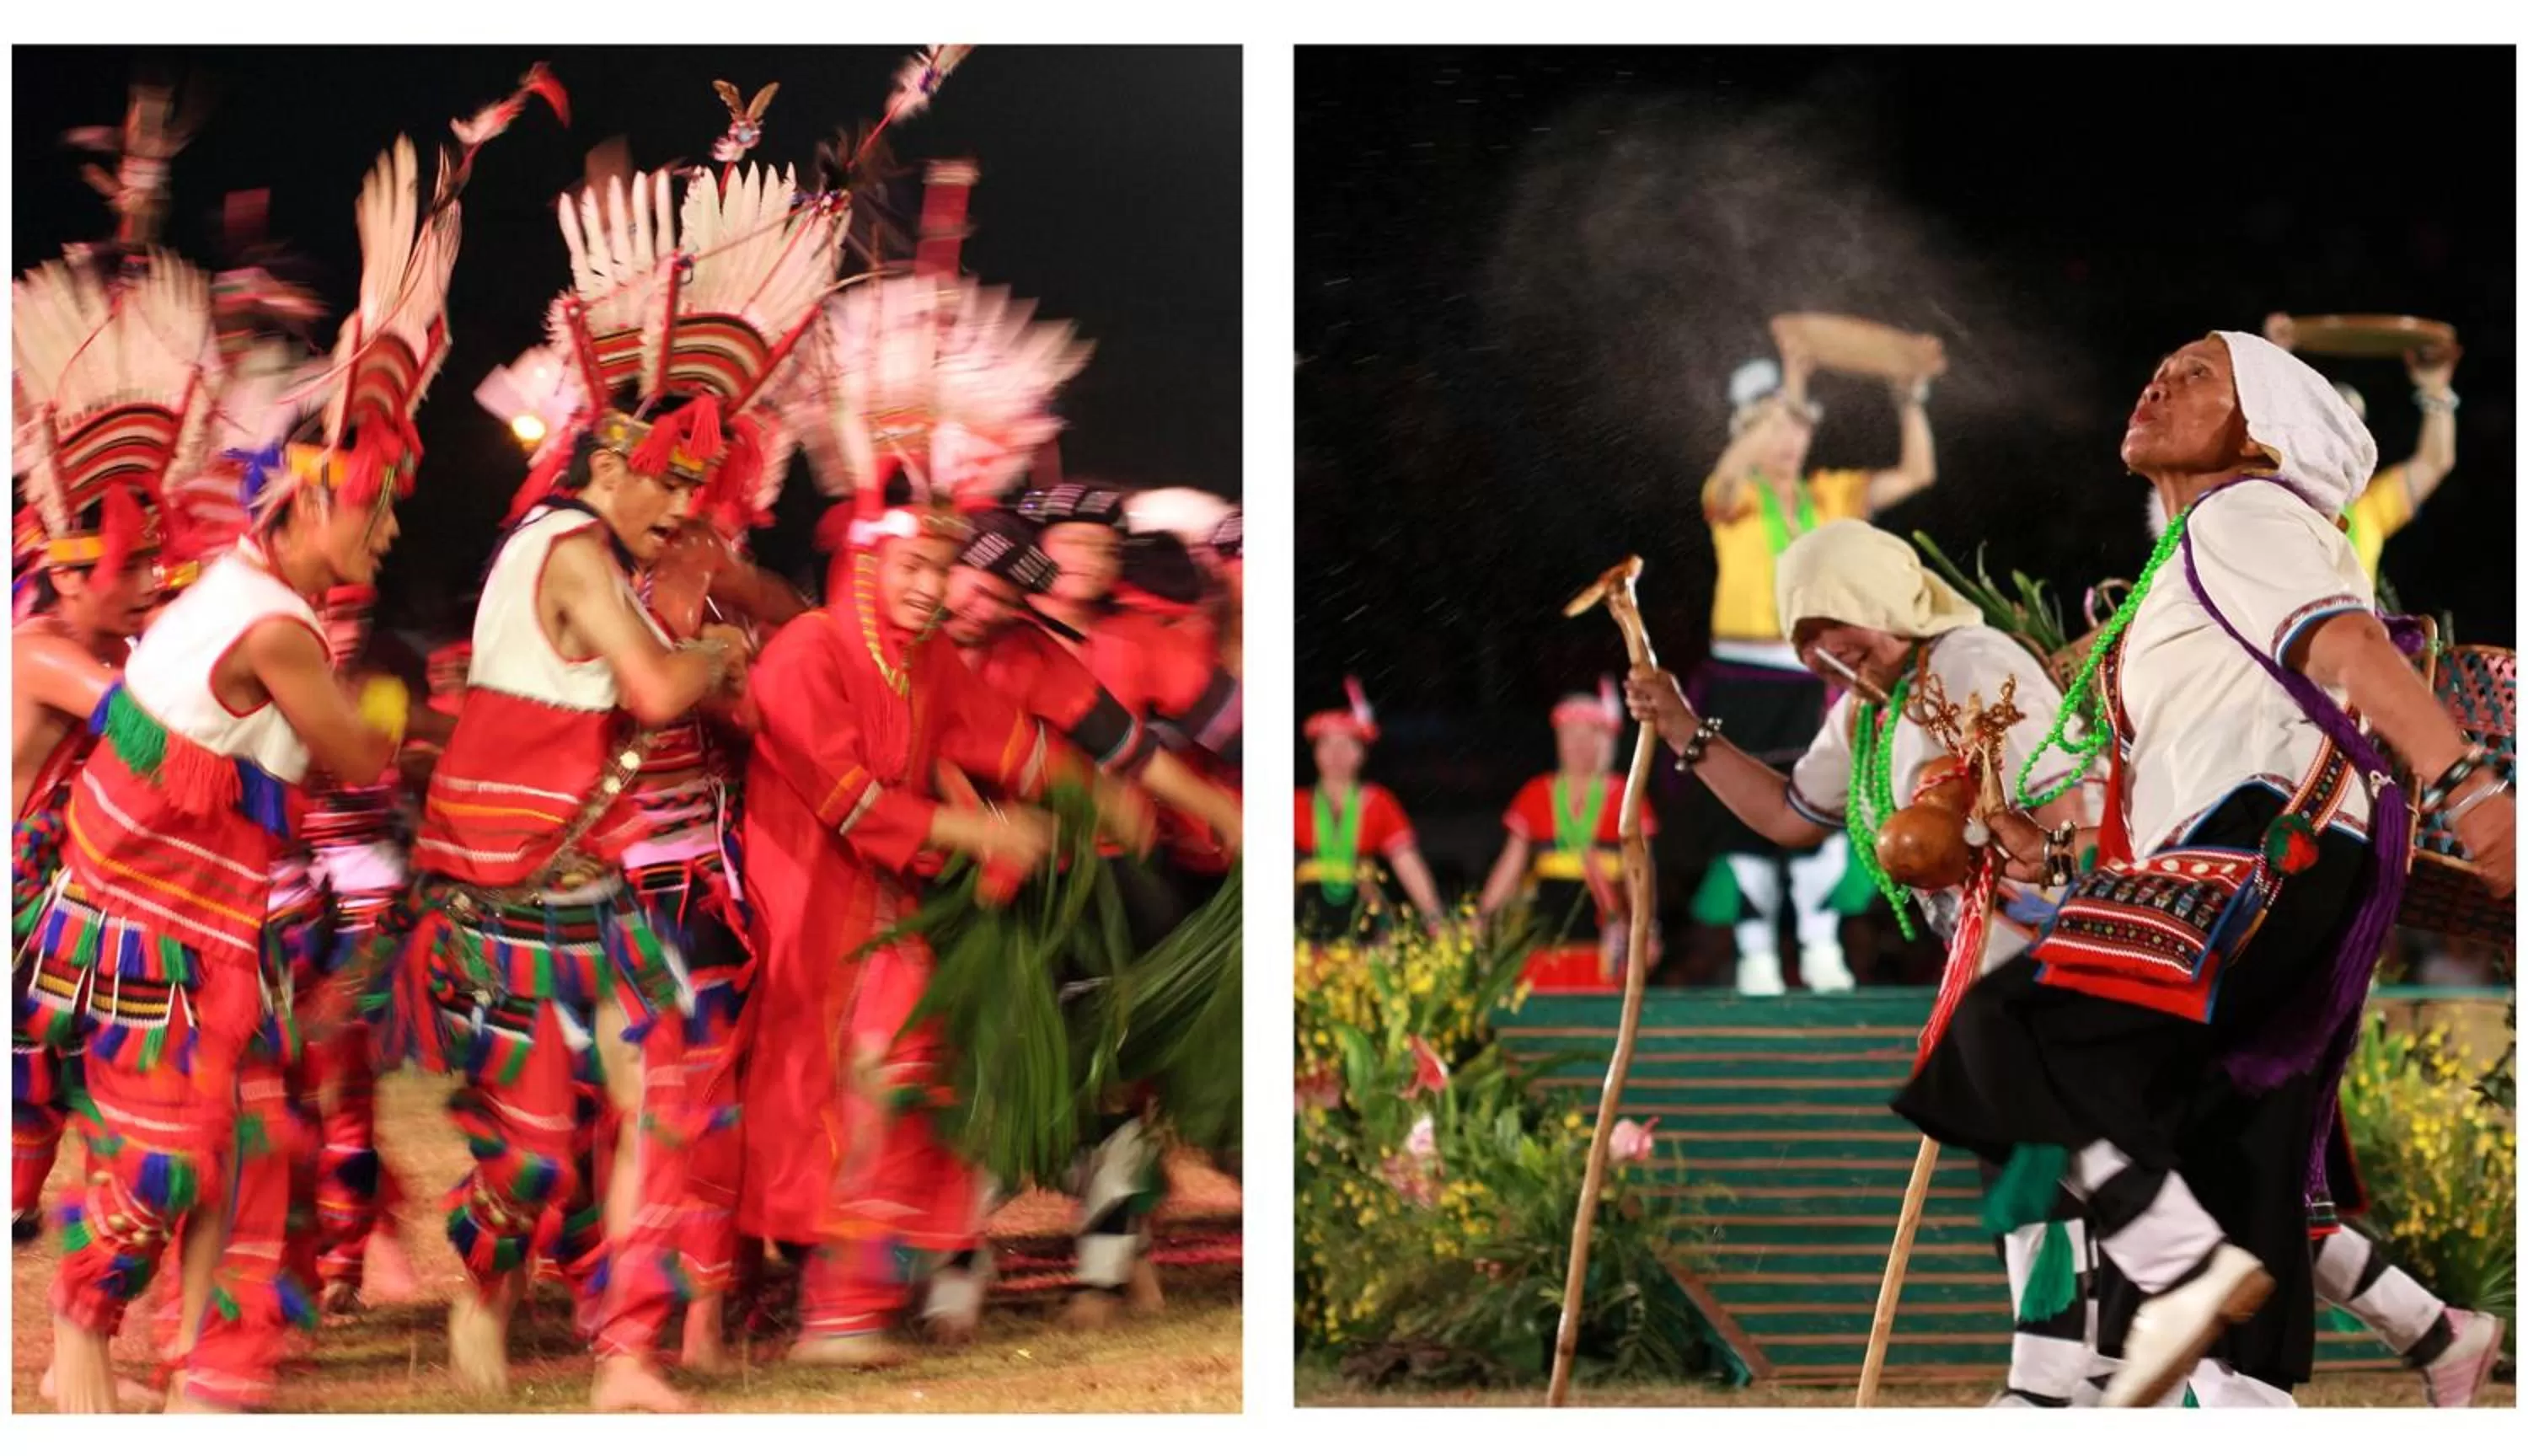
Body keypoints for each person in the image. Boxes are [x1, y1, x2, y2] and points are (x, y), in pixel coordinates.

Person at [1890, 329, 2513, 1408]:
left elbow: (2350, 649)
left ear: (2260, 434)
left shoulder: (2247, 511)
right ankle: (2248, 1387)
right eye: (2158, 370)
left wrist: (2470, 788)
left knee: (2013, 1033)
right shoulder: (2191, 553)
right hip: (2289, 851)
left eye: (2196, 376)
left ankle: (2178, 1273)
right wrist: (2046, 843)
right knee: (2237, 1153)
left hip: (2261, 845)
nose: (2158, 382)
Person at [384, 156, 837, 1411]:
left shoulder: (604, 547)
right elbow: (654, 691)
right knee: (533, 1150)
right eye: (672, 482)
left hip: (589, 880)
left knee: (653, 1102)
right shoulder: (571, 547)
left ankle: (625, 1357)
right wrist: (719, 646)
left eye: (702, 485)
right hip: (502, 888)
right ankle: (485, 1290)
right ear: (615, 462)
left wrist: (720, 630)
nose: (685, 506)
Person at [18, 158, 431, 1406]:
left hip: (210, 921)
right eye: (375, 516)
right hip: (136, 928)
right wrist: (401, 708)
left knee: (254, 1142)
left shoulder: (244, 599)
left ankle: (212, 1364)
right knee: (162, 1152)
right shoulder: (265, 626)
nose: (389, 538)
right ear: (311, 507)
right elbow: (354, 758)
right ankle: (82, 1328)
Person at [1626, 518, 2107, 1405]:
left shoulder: (1968, 658)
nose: (1821, 653)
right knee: (2056, 1159)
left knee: (2034, 1153)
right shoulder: (1868, 713)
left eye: (1834, 626)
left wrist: (2031, 880)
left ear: (1884, 602)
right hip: (1991, 957)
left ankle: (2053, 1384)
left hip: (2064, 939)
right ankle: (2089, 1376)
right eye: (1803, 639)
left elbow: (2068, 791)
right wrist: (1686, 731)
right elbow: (1786, 815)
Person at [736, 494, 1147, 1367]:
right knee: (839, 1093)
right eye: (912, 568)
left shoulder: (916, 659)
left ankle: (854, 1307)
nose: (932, 590)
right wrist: (982, 833)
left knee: (908, 1084)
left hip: (882, 916)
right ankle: (819, 1312)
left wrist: (1097, 794)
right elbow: (847, 800)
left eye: (939, 570)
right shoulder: (808, 651)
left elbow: (1008, 742)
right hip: (809, 915)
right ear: (866, 560)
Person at [1688, 325, 1941, 994]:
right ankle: (1755, 954)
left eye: (1800, 425)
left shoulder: (1831, 492)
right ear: (1749, 431)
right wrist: (1785, 397)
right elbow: (1726, 474)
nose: (1792, 436)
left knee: (1822, 803)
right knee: (1745, 810)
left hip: (1817, 673)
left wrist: (1910, 396)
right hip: (1743, 672)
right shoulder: (1736, 497)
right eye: (1776, 426)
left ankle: (1819, 943)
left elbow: (1918, 473)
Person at [1477, 683, 1657, 992]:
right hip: (1544, 937)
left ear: (1604, 740)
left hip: (1605, 939)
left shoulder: (1626, 796)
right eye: (1569, 734)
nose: (1577, 744)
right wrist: (1482, 916)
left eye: (1587, 734)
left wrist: (1648, 928)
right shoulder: (1536, 794)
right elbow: (1511, 866)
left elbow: (1639, 871)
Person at [2258, 313, 2461, 583]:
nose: (2339, 441)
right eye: (2328, 424)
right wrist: (2271, 358)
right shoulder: (2265, 496)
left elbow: (2435, 461)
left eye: (2351, 430)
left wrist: (2436, 390)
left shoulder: (2368, 511)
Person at [1296, 677, 1443, 942]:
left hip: (1365, 931)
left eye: (1347, 744)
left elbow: (1408, 865)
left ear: (1362, 752)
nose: (1336, 754)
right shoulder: (1293, 803)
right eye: (1327, 743)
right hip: (1303, 933)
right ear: (1315, 750)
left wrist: (1435, 921)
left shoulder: (1379, 802)